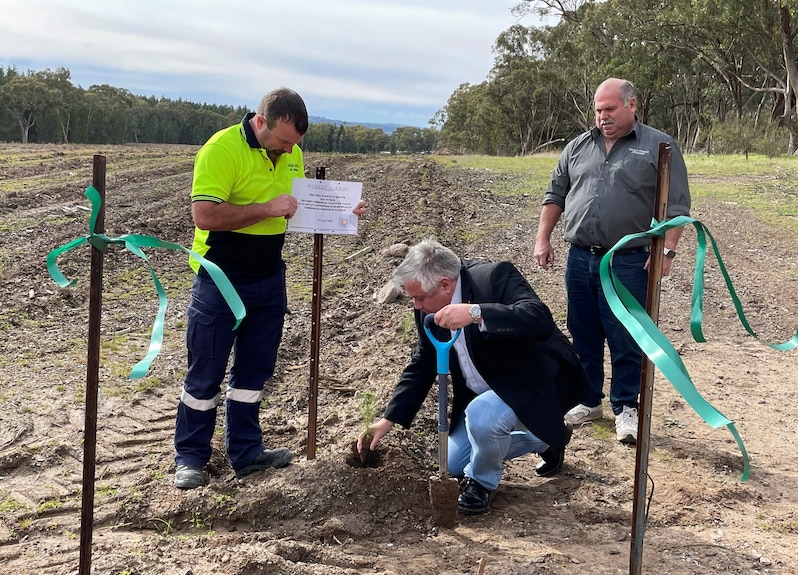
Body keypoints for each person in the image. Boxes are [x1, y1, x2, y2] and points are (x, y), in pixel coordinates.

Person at [174, 88, 366, 489]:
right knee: (205, 372)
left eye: (294, 144)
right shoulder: (221, 150)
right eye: (281, 141)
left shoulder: (291, 151)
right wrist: (265, 209)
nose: (287, 150)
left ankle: (246, 453)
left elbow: (299, 206)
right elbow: (204, 215)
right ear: (260, 122)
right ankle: (190, 457)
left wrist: (341, 214)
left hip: (268, 278)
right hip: (220, 277)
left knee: (254, 372)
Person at [357, 239, 587, 515]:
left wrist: (476, 313)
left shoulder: (493, 277)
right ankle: (548, 438)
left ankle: (481, 482)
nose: (416, 306)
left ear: (445, 284)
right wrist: (388, 419)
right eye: (413, 299)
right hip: (481, 392)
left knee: (482, 416)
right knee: (451, 464)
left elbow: (538, 317)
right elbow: (423, 364)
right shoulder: (428, 308)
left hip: (528, 380)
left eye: (420, 298)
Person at [533, 78, 691, 444]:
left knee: (626, 336)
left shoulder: (659, 146)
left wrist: (665, 252)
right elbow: (556, 193)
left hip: (629, 262)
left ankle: (626, 407)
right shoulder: (577, 147)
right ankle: (588, 400)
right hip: (580, 258)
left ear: (631, 105)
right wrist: (543, 238)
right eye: (598, 110)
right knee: (583, 331)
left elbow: (678, 206)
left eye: (610, 109)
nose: (603, 117)